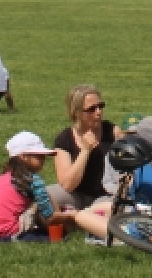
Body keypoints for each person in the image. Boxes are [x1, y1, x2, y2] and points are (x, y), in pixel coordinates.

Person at [0, 131, 107, 242]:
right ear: (23, 156)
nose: (43, 160)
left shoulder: (0, 178)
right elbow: (50, 217)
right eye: (39, 156)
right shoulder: (33, 180)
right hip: (4, 232)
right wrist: (73, 215)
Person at [49, 83, 118, 212]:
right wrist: (85, 151)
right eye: (92, 109)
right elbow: (67, 186)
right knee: (46, 196)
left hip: (106, 196)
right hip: (76, 195)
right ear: (76, 113)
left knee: (108, 206)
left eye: (100, 106)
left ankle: (78, 217)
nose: (98, 112)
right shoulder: (64, 139)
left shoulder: (112, 132)